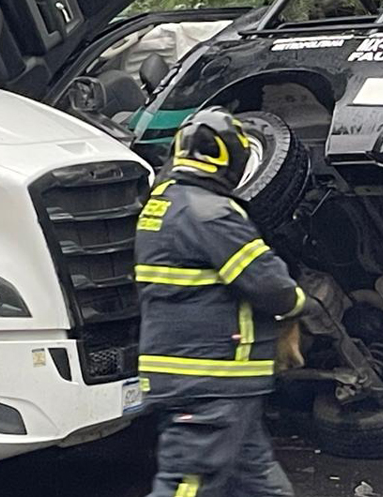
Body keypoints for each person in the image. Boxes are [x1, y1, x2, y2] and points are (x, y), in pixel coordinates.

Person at [136, 106, 307, 497]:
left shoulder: (164, 205)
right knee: (189, 485)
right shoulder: (211, 214)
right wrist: (299, 305)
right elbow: (270, 284)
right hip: (209, 377)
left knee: (259, 483)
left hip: (208, 379)